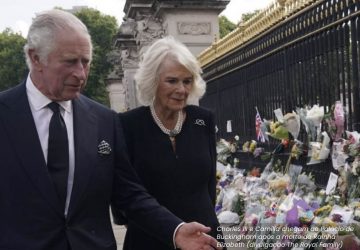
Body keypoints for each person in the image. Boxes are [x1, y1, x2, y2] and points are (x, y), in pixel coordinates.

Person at [0, 9, 222, 250]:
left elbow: (128, 193)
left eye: (86, 62)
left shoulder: (104, 120)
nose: (81, 74)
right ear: (35, 58)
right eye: (70, 61)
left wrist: (175, 231)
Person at [117, 36, 225, 249]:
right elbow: (123, 191)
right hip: (150, 238)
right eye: (172, 80)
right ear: (152, 80)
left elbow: (209, 185)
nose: (182, 90)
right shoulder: (128, 125)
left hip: (203, 237)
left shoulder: (202, 120)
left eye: (187, 81)